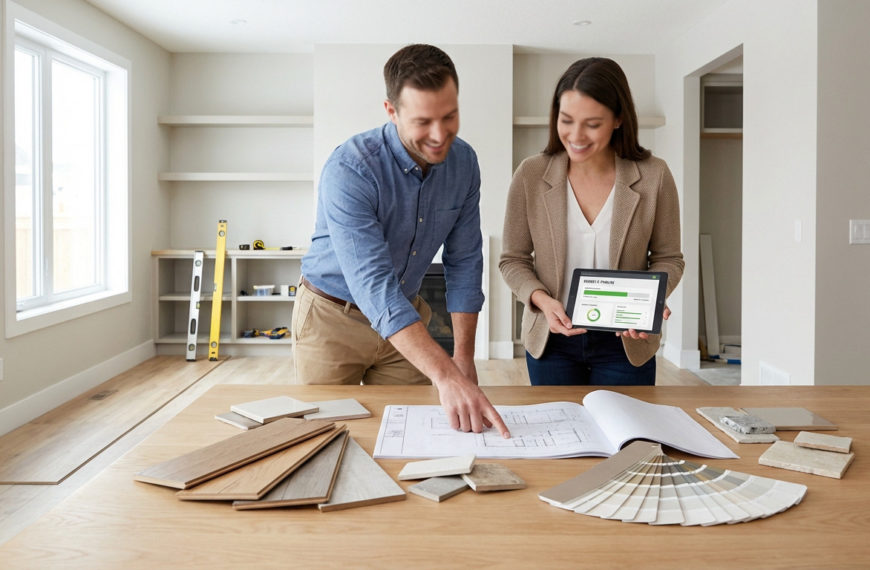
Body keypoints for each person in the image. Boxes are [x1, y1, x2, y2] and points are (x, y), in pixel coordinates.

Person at [294, 44, 509, 437]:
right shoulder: (351, 168)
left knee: (413, 433)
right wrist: (445, 374)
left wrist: (462, 358)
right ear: (391, 111)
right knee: (325, 437)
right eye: (423, 121)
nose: (440, 135)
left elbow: (465, 261)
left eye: (449, 116)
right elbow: (373, 284)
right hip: (332, 319)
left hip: (407, 314)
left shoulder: (464, 163)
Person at [499, 57, 685, 386]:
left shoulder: (654, 175)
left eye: (592, 124)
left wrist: (649, 300)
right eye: (566, 120)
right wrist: (542, 300)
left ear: (619, 119)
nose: (576, 135)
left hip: (626, 344)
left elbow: (669, 258)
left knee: (627, 422)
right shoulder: (531, 174)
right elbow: (513, 260)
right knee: (559, 422)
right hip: (552, 340)